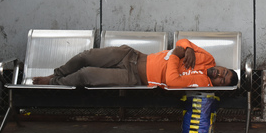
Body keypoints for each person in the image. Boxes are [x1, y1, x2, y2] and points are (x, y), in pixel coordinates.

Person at [32, 38, 239, 88]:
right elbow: (182, 41)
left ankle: (53, 83)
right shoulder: (208, 59)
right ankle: (56, 74)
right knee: (85, 56)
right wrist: (189, 49)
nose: (218, 74)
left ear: (218, 85)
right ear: (222, 67)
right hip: (132, 56)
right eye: (222, 72)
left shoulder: (203, 82)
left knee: (86, 75)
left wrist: (177, 55)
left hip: (134, 77)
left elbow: (173, 82)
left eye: (221, 79)